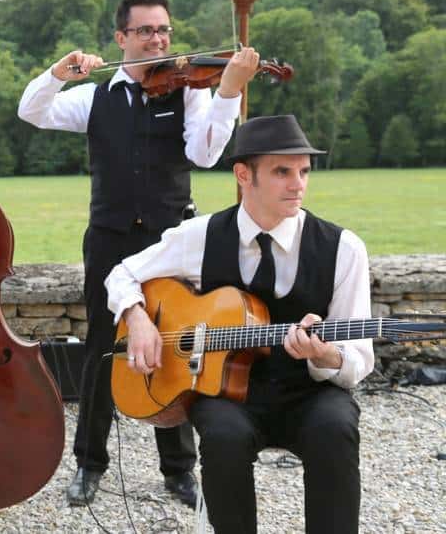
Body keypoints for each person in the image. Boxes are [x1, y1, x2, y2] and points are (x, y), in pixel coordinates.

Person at [17, 0, 260, 507]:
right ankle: (89, 465)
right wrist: (58, 73)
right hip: (108, 237)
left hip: (169, 238)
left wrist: (228, 93)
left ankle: (178, 469)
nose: (159, 39)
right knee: (103, 349)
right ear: (121, 38)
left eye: (164, 30)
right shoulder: (96, 97)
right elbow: (32, 111)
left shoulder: (191, 90)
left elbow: (205, 152)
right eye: (147, 30)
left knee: (173, 343)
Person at [107, 114, 374, 533]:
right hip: (228, 393)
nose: (297, 183)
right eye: (282, 171)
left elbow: (360, 357)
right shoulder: (200, 235)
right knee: (223, 436)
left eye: (304, 171)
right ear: (243, 175)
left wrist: (326, 355)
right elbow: (121, 273)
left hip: (310, 392)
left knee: (337, 427)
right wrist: (136, 316)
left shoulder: (343, 248)